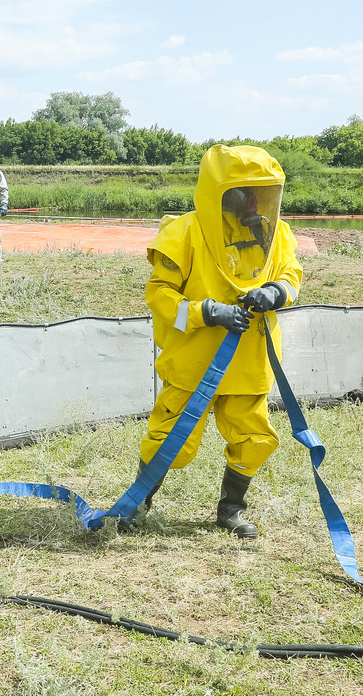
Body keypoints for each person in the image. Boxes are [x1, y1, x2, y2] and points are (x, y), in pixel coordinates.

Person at [122, 144, 303, 539]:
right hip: (195, 361)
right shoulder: (184, 232)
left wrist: (274, 292)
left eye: (261, 191)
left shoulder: (275, 234)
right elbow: (160, 295)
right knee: (171, 435)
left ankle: (231, 510)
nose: (253, 200)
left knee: (253, 436)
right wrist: (208, 312)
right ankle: (137, 502)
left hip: (248, 358)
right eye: (244, 190)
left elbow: (291, 276)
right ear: (218, 190)